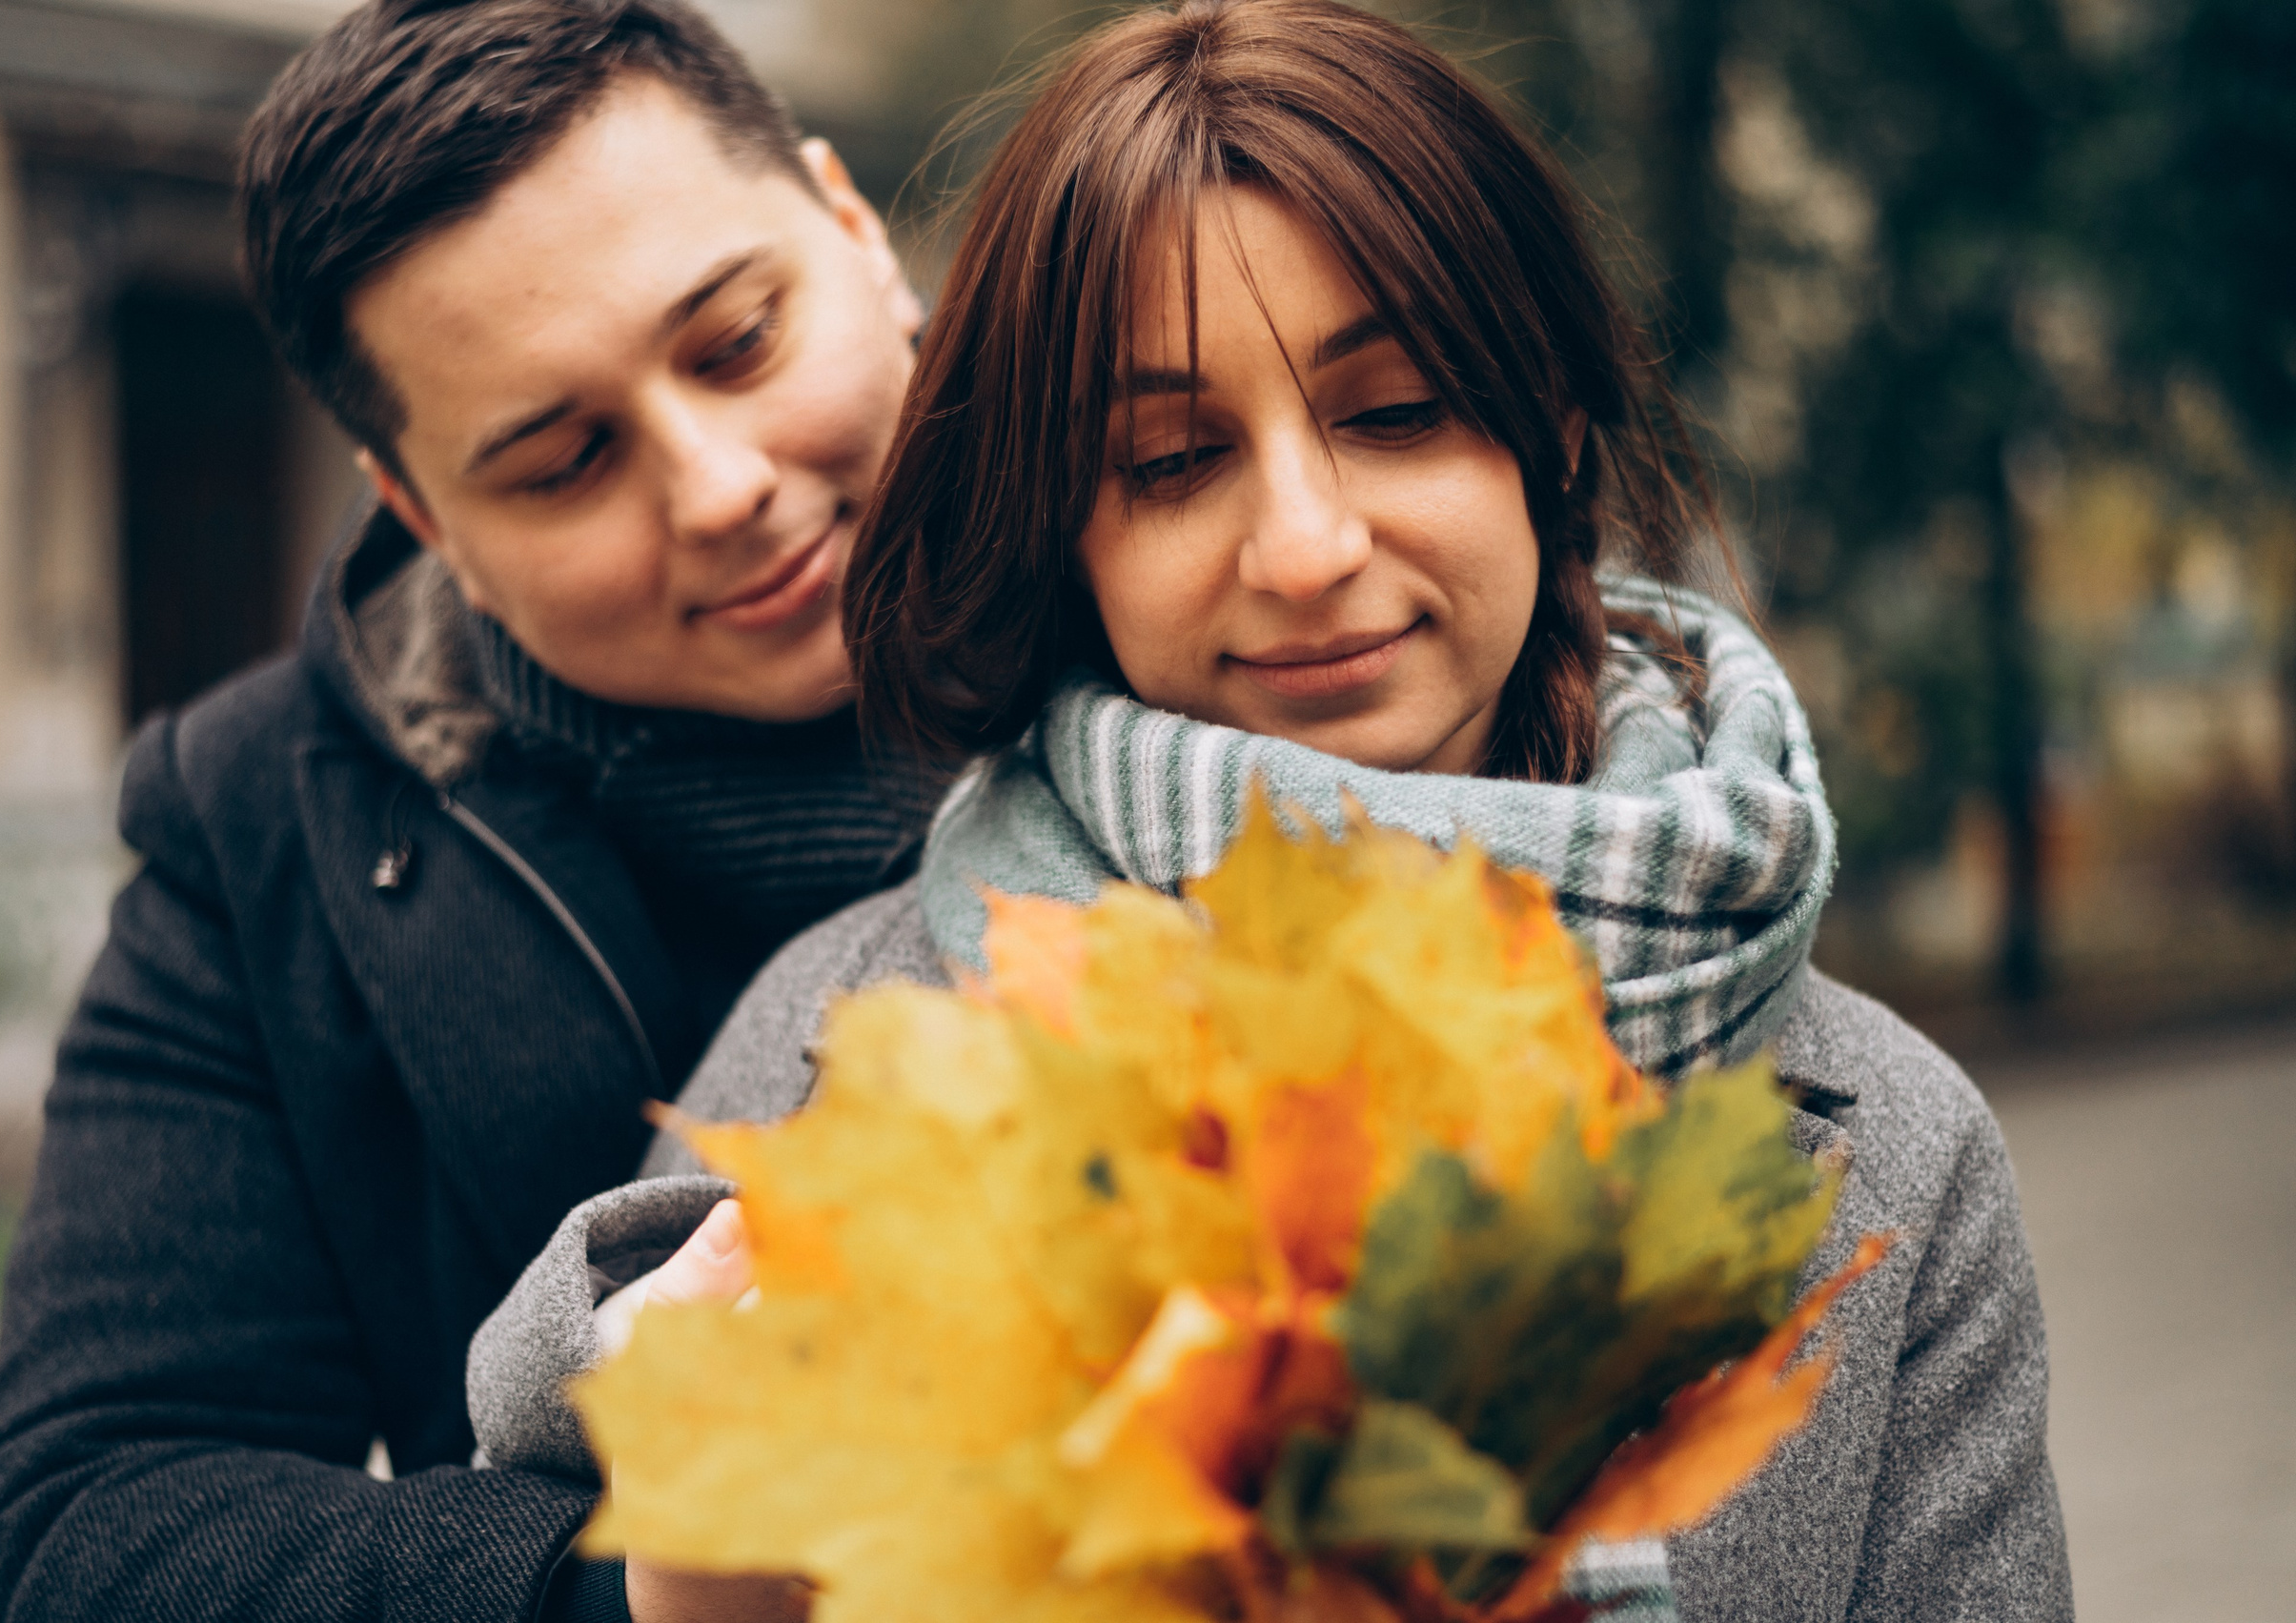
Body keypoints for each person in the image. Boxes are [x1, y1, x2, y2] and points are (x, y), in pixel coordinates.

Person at [466, 3, 2074, 1619]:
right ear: (1064, 532)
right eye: (1172, 458)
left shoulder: (1900, 1148)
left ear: (1551, 434)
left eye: (1395, 413)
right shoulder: (844, 1041)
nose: (1305, 547)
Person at [0, 3, 932, 1620]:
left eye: (739, 340)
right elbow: (60, 1538)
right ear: (423, 514)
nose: (718, 483)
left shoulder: (1258, 582)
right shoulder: (263, 831)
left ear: (854, 227)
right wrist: (622, 1596)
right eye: (560, 460)